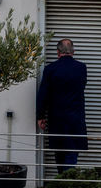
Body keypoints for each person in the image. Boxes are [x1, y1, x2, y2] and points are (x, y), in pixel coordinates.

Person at [35, 37, 88, 167]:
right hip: (76, 118)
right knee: (72, 153)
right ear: (73, 51)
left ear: (58, 52)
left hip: (57, 118)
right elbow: (82, 86)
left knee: (59, 153)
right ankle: (67, 181)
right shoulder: (81, 68)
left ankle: (62, 181)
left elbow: (43, 94)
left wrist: (40, 116)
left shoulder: (50, 69)